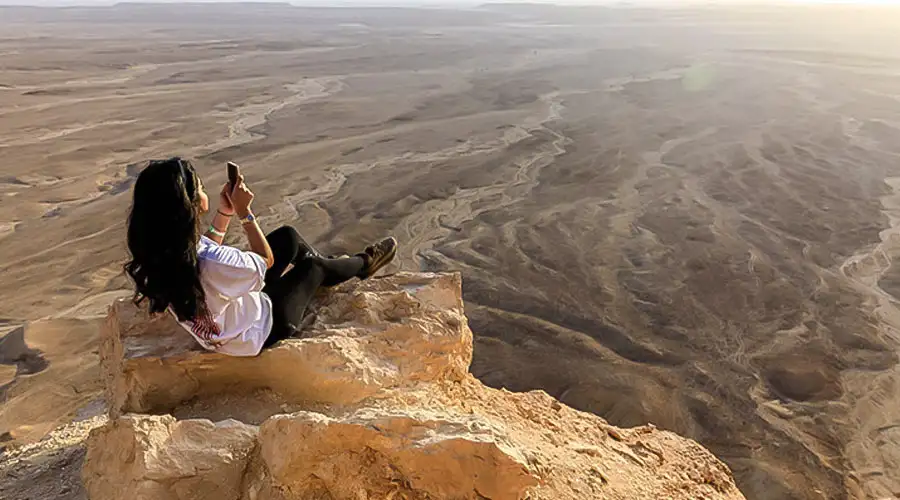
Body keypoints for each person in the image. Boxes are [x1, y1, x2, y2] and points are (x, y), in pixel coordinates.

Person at [124, 157, 397, 356]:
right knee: (313, 267)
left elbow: (202, 248)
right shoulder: (215, 263)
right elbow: (263, 260)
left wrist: (226, 212)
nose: (204, 193)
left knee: (288, 237)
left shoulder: (163, 253)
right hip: (262, 329)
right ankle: (362, 264)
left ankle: (330, 267)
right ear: (190, 203)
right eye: (201, 189)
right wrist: (245, 213)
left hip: (227, 325)